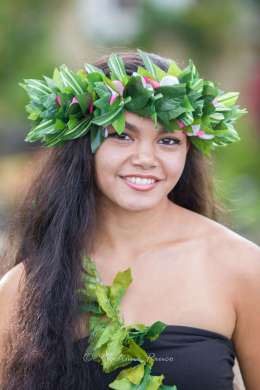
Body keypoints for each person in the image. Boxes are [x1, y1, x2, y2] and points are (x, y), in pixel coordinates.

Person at [0, 49, 259, 390]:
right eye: (122, 135)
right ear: (84, 145)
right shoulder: (25, 287)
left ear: (187, 152)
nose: (145, 158)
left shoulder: (239, 266)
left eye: (168, 140)